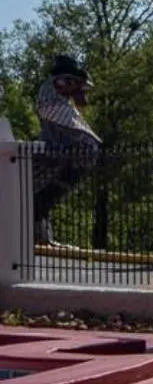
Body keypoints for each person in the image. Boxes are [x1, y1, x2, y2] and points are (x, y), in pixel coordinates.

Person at [31, 54, 100, 246]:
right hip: (56, 147)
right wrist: (76, 85)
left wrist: (80, 87)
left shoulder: (61, 96)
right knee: (40, 191)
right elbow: (53, 104)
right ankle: (38, 231)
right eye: (67, 81)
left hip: (65, 150)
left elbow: (82, 95)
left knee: (46, 192)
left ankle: (41, 233)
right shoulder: (50, 92)